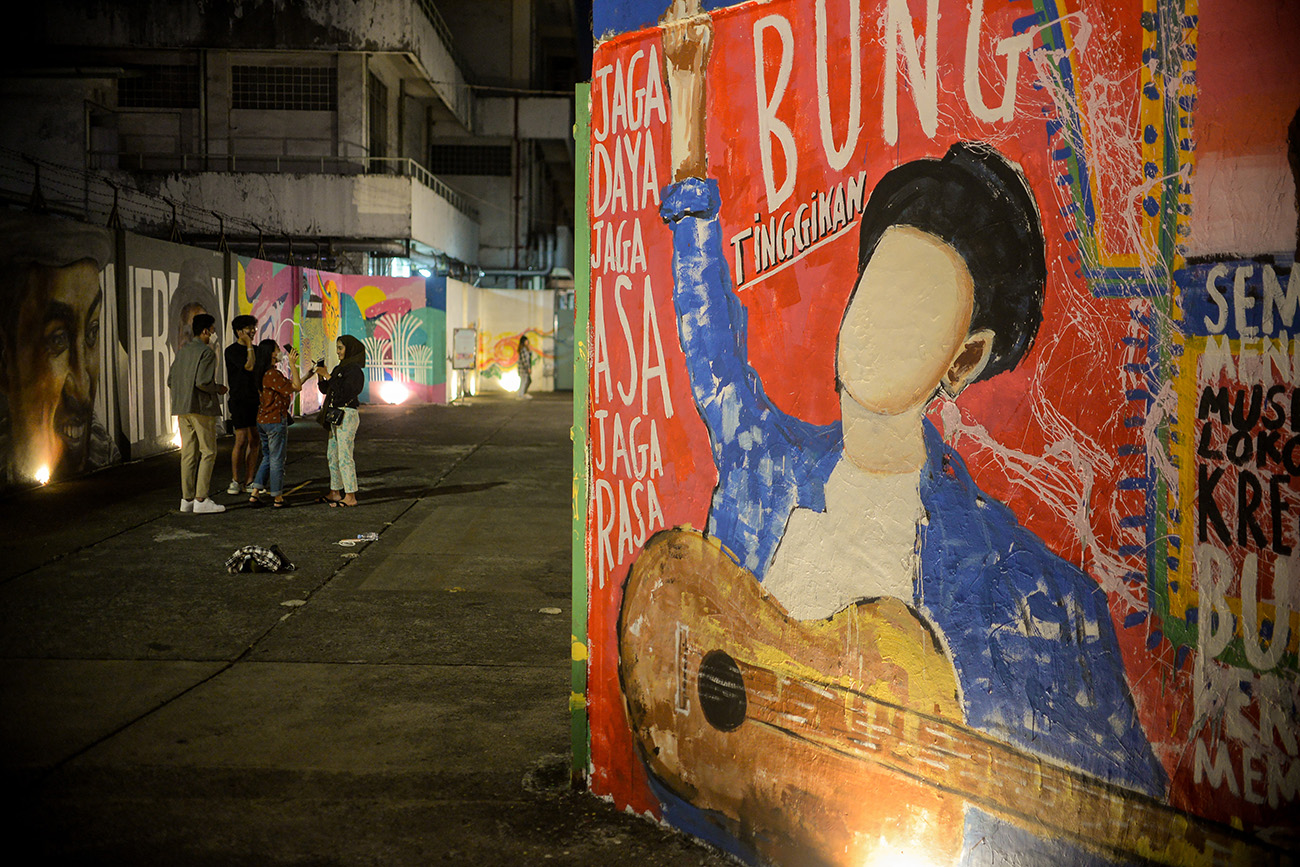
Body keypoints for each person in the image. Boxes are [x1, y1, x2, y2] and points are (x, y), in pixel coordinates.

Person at [648, 1, 1165, 862]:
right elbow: (711, 342)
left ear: (961, 363)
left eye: (920, 308)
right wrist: (689, 117)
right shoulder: (765, 469)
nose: (879, 320)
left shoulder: (1039, 599)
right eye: (881, 285)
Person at [0, 214, 118, 485]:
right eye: (57, 340)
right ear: (5, 359)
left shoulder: (103, 450)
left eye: (91, 333)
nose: (82, 386)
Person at [167, 312, 228, 513]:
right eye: (212, 329)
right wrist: (217, 388)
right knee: (208, 451)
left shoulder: (182, 352)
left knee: (188, 454)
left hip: (181, 408)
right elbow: (202, 382)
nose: (213, 333)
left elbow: (170, 381)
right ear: (205, 331)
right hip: (201, 408)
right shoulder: (207, 353)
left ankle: (187, 499)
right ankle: (201, 499)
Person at [247, 340, 314, 509]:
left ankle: (255, 493)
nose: (281, 352)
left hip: (263, 420)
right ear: (271, 353)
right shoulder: (271, 374)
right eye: (277, 349)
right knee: (277, 459)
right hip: (274, 421)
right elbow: (296, 387)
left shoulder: (265, 373)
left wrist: (306, 375)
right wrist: (292, 364)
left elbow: (291, 387)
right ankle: (278, 498)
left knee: (268, 457)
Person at [315, 335, 365, 507]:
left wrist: (329, 376)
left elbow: (346, 391)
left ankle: (350, 495)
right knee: (332, 455)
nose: (338, 352)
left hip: (347, 414)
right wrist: (321, 375)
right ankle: (335, 491)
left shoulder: (355, 371)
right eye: (337, 348)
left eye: (341, 348)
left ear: (350, 349)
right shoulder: (339, 368)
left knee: (345, 456)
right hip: (335, 415)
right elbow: (327, 390)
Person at [224, 314, 260, 494]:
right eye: (249, 328)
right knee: (241, 439)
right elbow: (249, 366)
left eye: (254, 328)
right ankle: (235, 480)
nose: (253, 331)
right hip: (239, 399)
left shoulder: (257, 349)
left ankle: (250, 480)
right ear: (239, 331)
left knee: (255, 439)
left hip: (255, 399)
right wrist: (248, 346)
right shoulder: (231, 351)